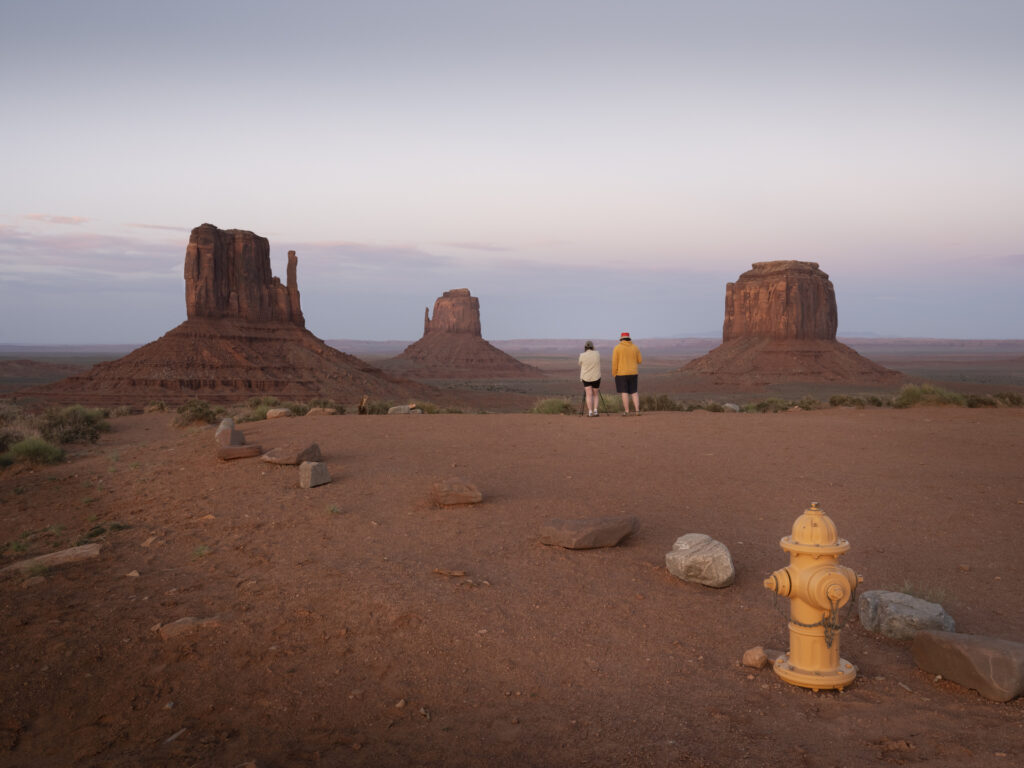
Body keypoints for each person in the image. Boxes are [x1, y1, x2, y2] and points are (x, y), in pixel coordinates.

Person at [612, 331, 642, 415]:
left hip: (621, 374)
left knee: (624, 392)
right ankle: (637, 411)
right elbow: (640, 360)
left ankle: (627, 411)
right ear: (629, 339)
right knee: (634, 392)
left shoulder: (617, 348)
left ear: (621, 339)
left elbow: (614, 362)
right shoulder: (635, 347)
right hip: (633, 373)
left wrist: (614, 373)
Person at [578, 340, 602, 417]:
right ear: (592, 347)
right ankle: (595, 411)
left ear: (585, 347)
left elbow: (580, 363)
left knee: (588, 394)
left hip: (586, 377)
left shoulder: (582, 355)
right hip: (596, 377)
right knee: (595, 394)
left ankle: (590, 412)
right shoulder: (597, 354)